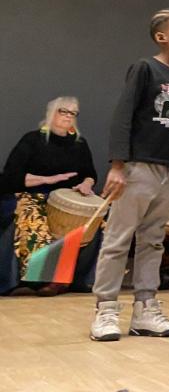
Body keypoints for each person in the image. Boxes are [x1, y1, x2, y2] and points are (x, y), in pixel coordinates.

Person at [90, 8, 169, 342]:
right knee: (118, 240)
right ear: (162, 36)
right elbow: (123, 116)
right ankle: (106, 309)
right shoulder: (145, 69)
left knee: (153, 241)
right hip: (139, 168)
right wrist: (118, 165)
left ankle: (145, 308)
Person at [1, 97, 97, 293]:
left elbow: (90, 173)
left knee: (97, 223)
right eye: (64, 111)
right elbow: (11, 175)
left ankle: (76, 279)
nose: (69, 116)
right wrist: (49, 180)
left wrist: (86, 184)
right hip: (34, 194)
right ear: (51, 112)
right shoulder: (32, 139)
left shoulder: (79, 143)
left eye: (73, 113)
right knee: (33, 219)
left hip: (66, 197)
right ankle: (38, 279)